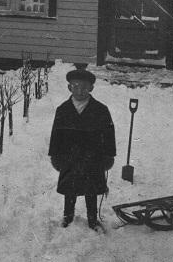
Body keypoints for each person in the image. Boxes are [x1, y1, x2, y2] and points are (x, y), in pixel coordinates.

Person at [48, 68, 115, 232]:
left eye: (84, 87)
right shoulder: (63, 110)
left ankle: (92, 219)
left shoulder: (100, 110)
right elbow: (56, 134)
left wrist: (108, 155)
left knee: (91, 188)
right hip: (69, 158)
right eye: (75, 86)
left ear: (91, 88)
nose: (79, 91)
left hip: (93, 158)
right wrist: (55, 155)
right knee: (70, 188)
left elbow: (108, 134)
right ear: (69, 87)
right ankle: (67, 216)